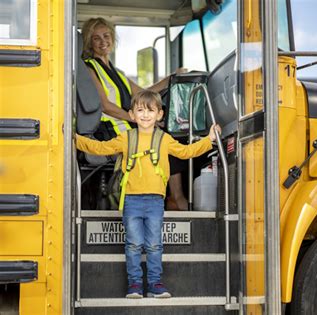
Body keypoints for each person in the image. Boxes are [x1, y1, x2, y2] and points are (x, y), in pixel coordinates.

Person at [76, 90, 221, 298]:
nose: (145, 115)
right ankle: (135, 285)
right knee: (134, 244)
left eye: (150, 110)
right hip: (131, 201)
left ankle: (155, 283)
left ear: (160, 115)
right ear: (132, 115)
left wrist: (209, 140)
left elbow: (185, 152)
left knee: (154, 245)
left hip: (155, 201)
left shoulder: (164, 139)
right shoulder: (126, 138)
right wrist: (75, 139)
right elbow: (100, 148)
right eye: (140, 110)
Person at [81, 17, 188, 210]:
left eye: (106, 36)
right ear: (89, 42)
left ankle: (174, 198)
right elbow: (104, 105)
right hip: (109, 131)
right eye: (96, 38)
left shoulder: (118, 72)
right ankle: (173, 200)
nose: (103, 41)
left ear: (113, 39)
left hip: (127, 128)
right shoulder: (90, 68)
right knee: (161, 144)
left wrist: (171, 78)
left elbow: (143, 93)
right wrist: (136, 118)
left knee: (170, 140)